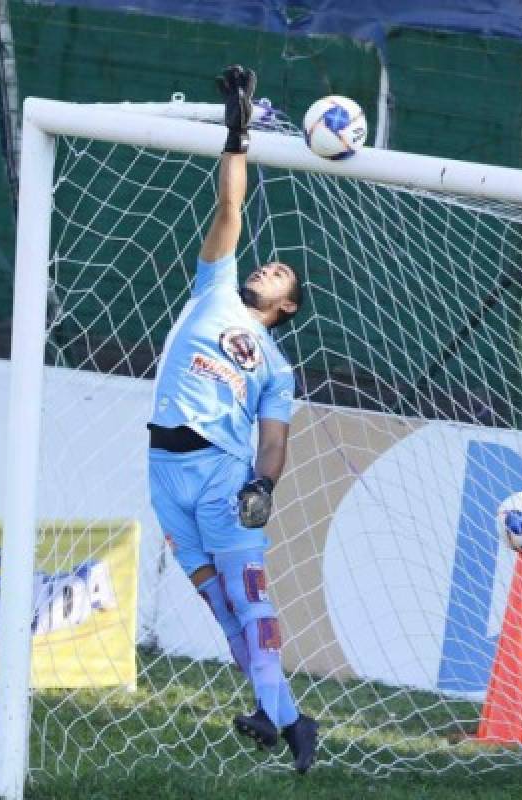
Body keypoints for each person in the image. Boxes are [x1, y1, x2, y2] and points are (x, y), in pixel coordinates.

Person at [146, 64, 317, 774]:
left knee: (250, 604)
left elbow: (273, 441)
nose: (266, 267)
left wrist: (265, 487)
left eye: (280, 274)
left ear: (287, 307)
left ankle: (288, 718)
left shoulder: (276, 367)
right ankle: (284, 718)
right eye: (266, 265)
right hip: (164, 475)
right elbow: (230, 213)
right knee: (221, 615)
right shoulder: (214, 287)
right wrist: (236, 134)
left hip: (222, 479)